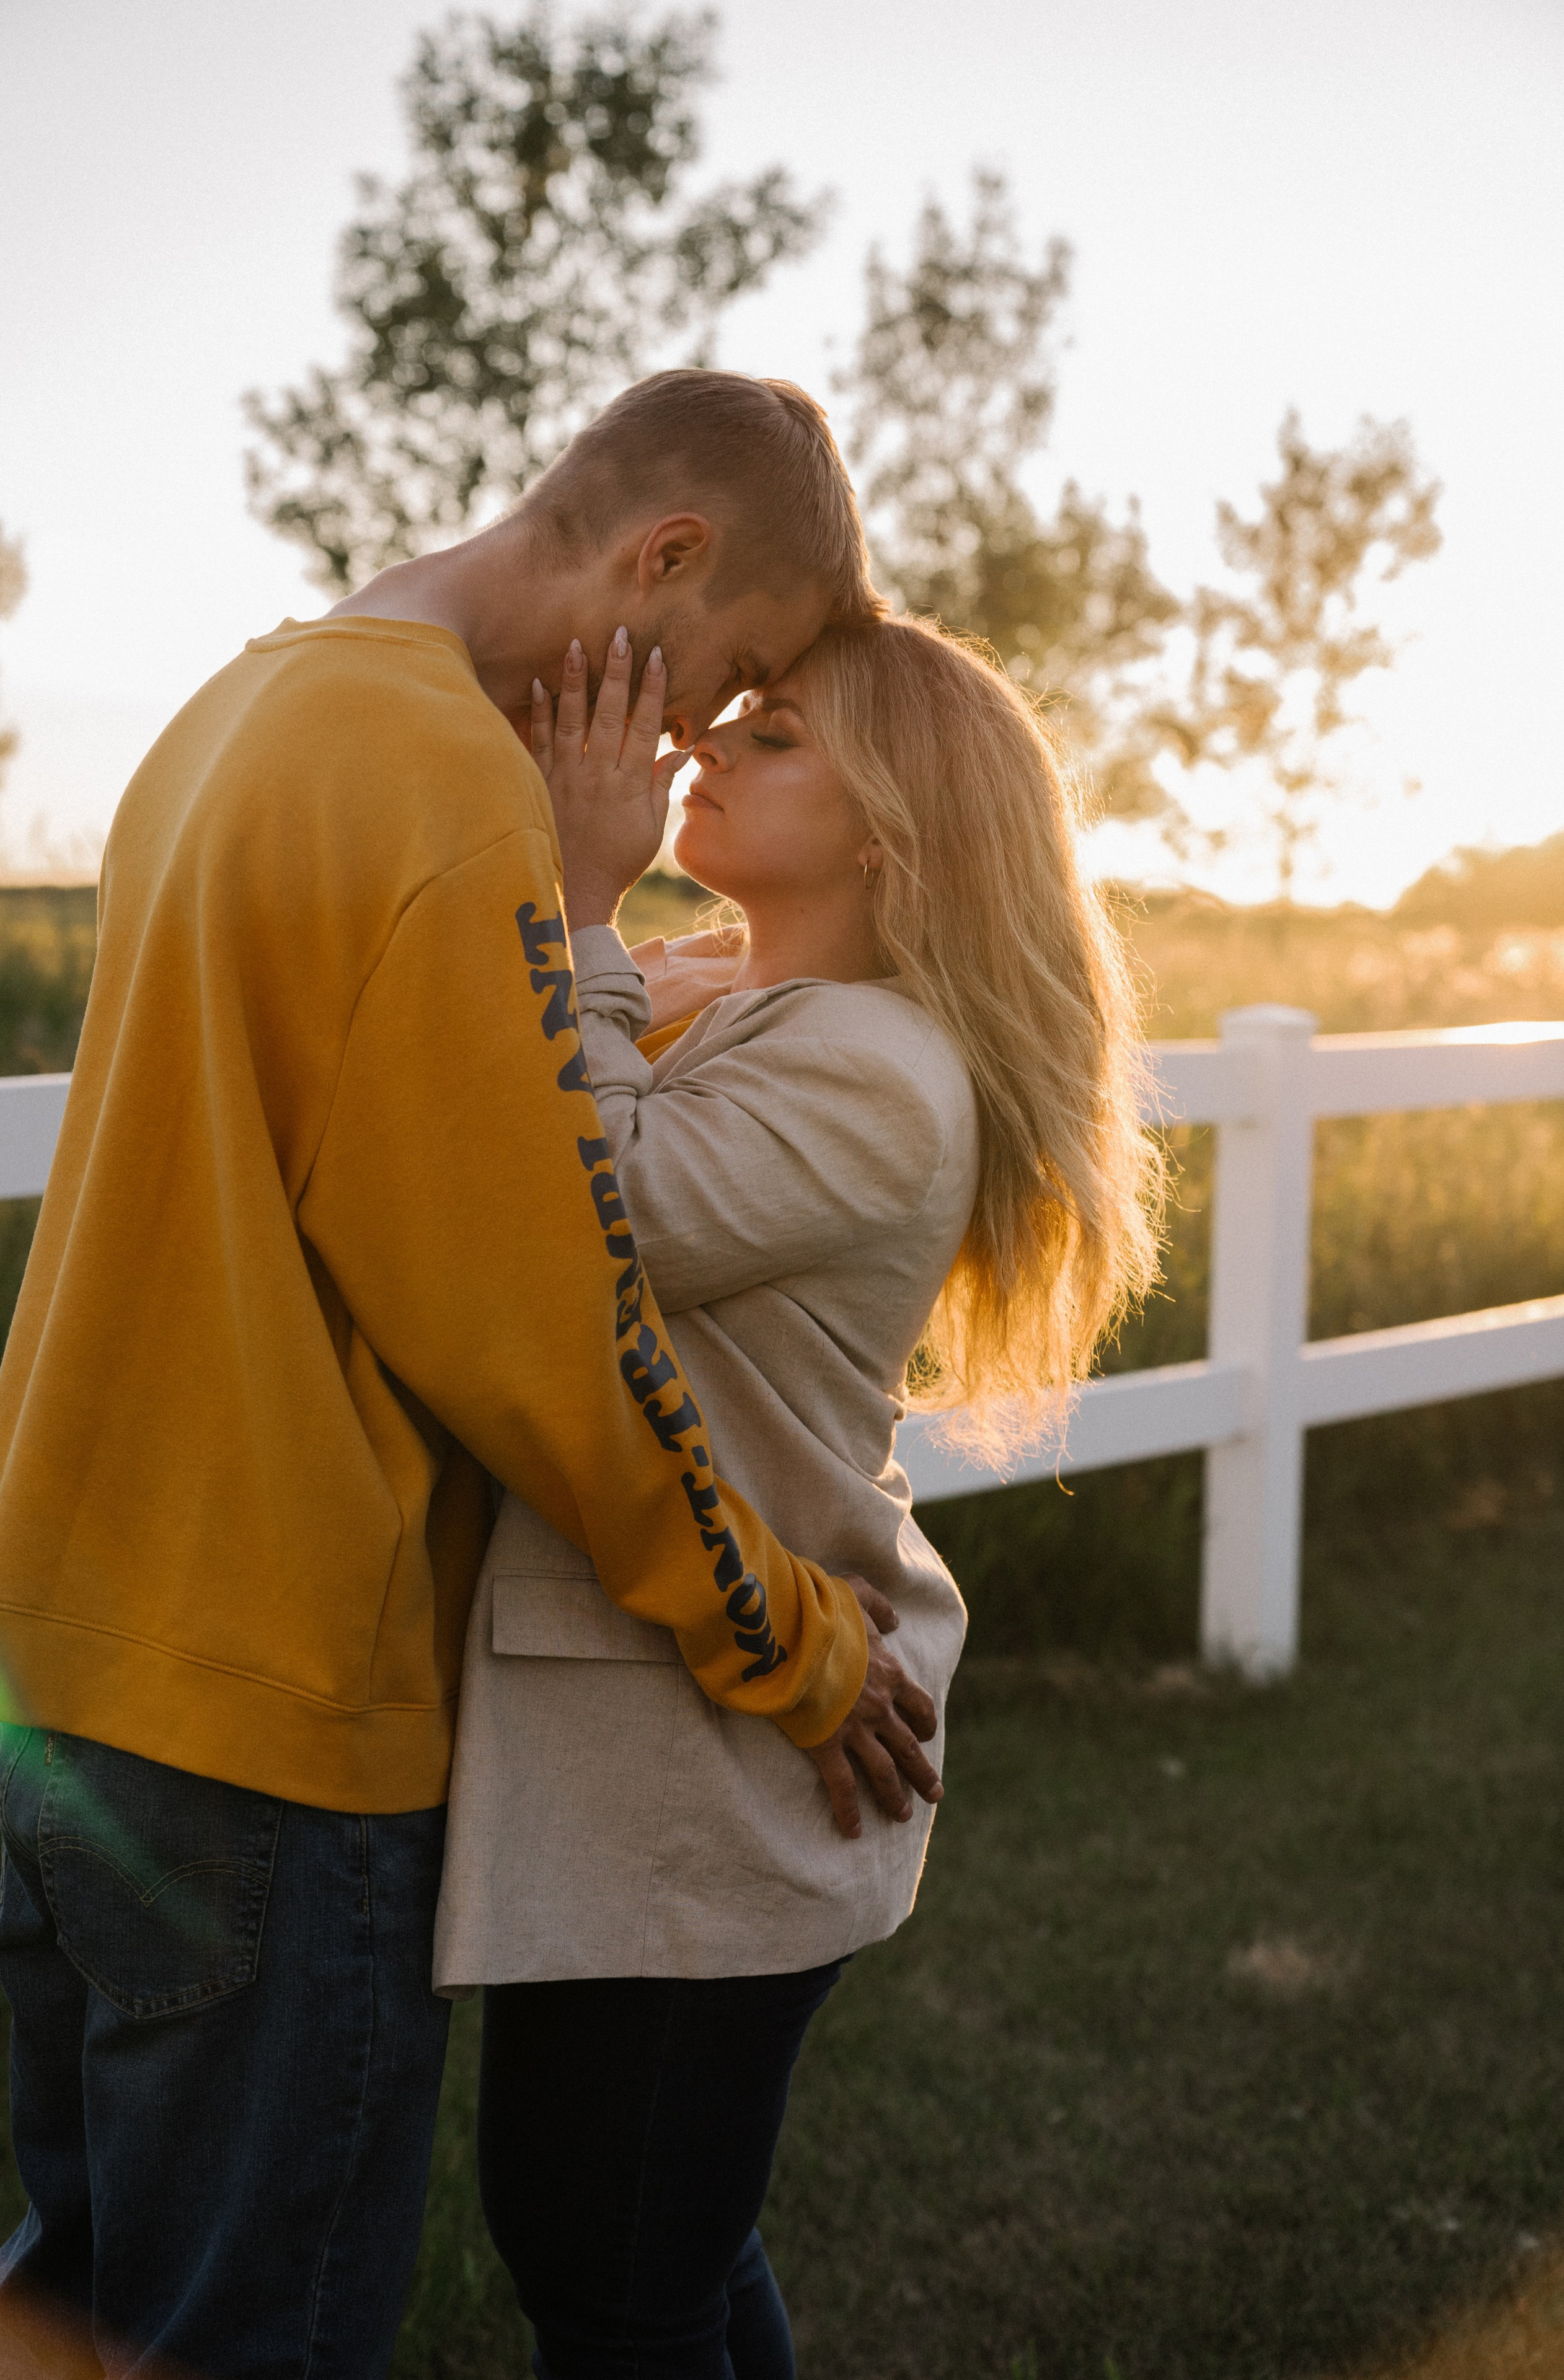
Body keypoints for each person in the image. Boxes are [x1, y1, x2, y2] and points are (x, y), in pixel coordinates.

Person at [0, 371, 943, 2379]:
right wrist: (788, 1637)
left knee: (78, 2303)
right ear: (660, 558)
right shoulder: (438, 787)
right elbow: (529, 1326)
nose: (686, 738)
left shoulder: (245, 706)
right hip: (267, 1690)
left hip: (68, 1663)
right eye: (730, 672)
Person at [435, 612, 1164, 2378]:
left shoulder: (877, 1066)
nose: (706, 746)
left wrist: (589, 906)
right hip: (682, 1719)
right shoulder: (768, 1008)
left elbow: (594, 1223)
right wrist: (630, 959)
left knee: (611, 2260)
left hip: (707, 1743)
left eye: (771, 734)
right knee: (649, 2249)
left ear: (887, 830)